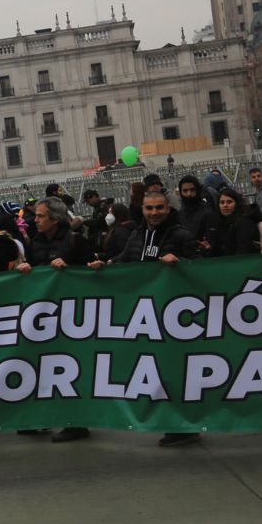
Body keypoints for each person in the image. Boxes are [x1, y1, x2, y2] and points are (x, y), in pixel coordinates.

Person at [91, 188, 200, 448]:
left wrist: (181, 262)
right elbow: (125, 261)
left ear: (168, 208)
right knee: (155, 371)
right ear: (142, 209)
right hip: (145, 316)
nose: (154, 213)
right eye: (149, 208)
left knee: (175, 372)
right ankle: (169, 420)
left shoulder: (182, 235)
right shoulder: (137, 234)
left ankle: (184, 425)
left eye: (159, 208)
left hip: (174, 316)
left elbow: (202, 269)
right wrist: (105, 265)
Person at [18, 197, 94, 271]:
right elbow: (30, 265)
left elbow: (88, 272)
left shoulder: (75, 240)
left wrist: (68, 267)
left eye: (41, 216)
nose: (36, 220)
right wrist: (24, 266)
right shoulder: (34, 242)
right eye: (36, 216)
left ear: (55, 219)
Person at [204, 188, 261, 256]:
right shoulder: (221, 221)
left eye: (229, 202)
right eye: (222, 202)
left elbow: (244, 250)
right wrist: (210, 247)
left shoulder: (243, 222)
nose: (225, 205)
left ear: (237, 204)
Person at [176, 175, 218, 253]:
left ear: (198, 190)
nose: (189, 194)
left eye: (192, 190)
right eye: (185, 191)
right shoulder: (179, 214)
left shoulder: (208, 213)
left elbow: (211, 243)